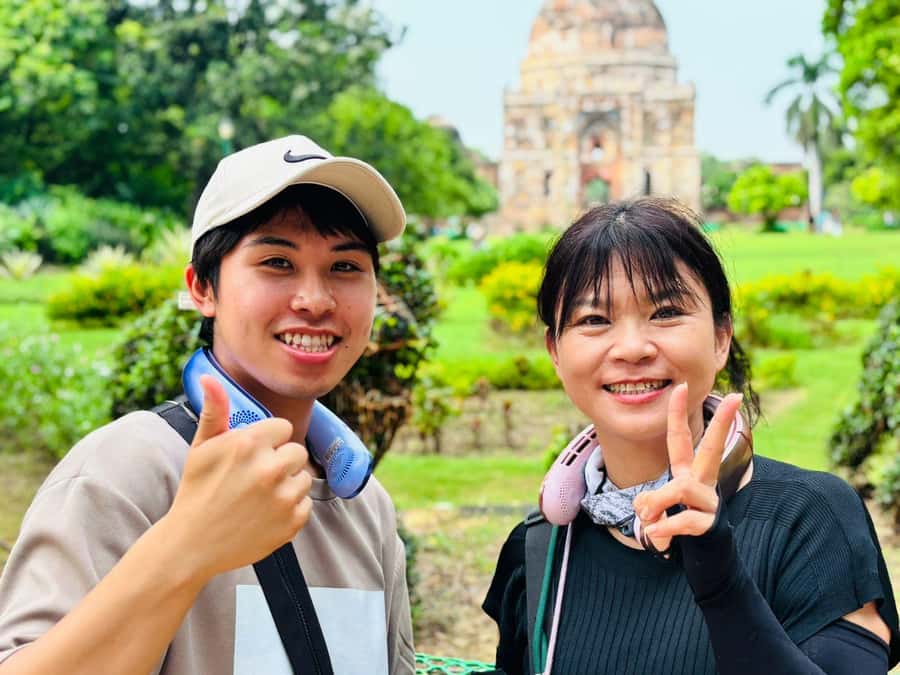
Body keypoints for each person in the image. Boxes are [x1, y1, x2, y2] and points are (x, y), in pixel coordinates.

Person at [0, 135, 416, 675]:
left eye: (345, 267)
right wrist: (188, 544)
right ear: (202, 288)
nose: (315, 300)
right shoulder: (123, 473)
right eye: (277, 262)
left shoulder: (365, 506)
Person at [483, 197, 899, 675]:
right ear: (555, 352)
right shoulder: (539, 551)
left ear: (722, 338)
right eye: (594, 320)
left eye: (665, 312)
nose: (632, 348)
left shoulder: (810, 520)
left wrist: (719, 575)